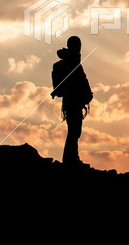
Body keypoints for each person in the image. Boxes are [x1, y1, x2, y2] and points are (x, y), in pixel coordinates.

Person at [51, 36, 93, 166]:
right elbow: (77, 82)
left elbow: (83, 82)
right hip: (71, 102)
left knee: (74, 131)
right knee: (74, 131)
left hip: (74, 102)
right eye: (77, 45)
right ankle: (70, 160)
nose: (79, 47)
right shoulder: (70, 64)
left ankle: (72, 158)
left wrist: (86, 94)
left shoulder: (73, 64)